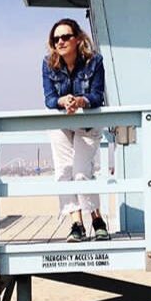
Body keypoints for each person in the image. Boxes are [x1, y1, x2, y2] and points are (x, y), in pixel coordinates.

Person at [42, 17, 110, 242]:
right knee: (64, 171)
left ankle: (97, 221)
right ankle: (76, 224)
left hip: (87, 123)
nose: (60, 42)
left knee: (81, 172)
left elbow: (97, 96)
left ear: (78, 39)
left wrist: (81, 101)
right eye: (56, 39)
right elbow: (49, 98)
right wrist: (62, 101)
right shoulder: (48, 63)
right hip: (61, 122)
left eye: (65, 37)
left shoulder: (94, 62)